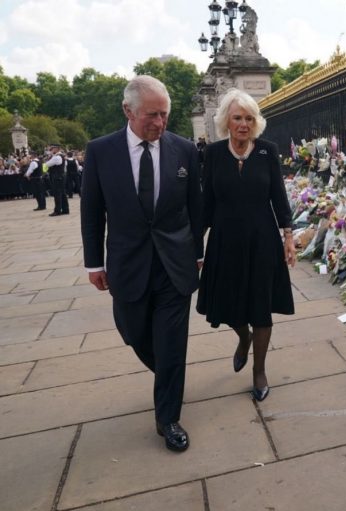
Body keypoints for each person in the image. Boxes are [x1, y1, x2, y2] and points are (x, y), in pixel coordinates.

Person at [80, 75, 204, 452]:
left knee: (171, 344)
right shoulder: (101, 151)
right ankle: (168, 375)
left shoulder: (183, 150)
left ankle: (168, 418)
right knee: (133, 332)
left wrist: (197, 252)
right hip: (127, 263)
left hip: (175, 263)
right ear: (127, 110)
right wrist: (93, 264)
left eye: (164, 115)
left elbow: (196, 209)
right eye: (152, 115)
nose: (160, 123)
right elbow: (92, 211)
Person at [196, 88, 295, 402]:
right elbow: (206, 202)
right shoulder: (212, 153)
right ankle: (243, 338)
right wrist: (195, 244)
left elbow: (278, 196)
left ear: (256, 122)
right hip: (225, 241)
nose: (243, 123)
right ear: (226, 120)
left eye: (249, 118)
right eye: (237, 117)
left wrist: (288, 236)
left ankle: (259, 370)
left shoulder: (267, 151)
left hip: (262, 240)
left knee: (261, 306)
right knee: (229, 305)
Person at [44, 144, 69, 216]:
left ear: (57, 149)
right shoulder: (60, 156)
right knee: (62, 194)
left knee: (57, 194)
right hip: (61, 177)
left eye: (52, 148)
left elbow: (47, 165)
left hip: (57, 177)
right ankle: (65, 209)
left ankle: (57, 210)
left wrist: (49, 158)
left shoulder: (57, 157)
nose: (51, 150)